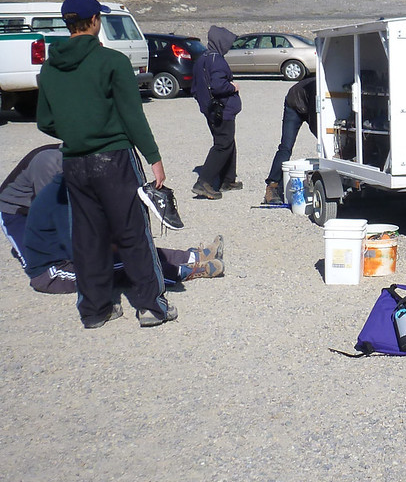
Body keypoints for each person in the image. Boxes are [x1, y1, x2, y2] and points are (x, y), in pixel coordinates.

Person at [35, 0, 175, 328]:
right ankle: (151, 307)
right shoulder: (112, 62)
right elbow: (132, 117)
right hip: (113, 159)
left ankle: (95, 311)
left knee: (88, 236)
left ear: (68, 24)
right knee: (132, 232)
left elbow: (44, 121)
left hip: (75, 163)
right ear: (95, 21)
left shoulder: (51, 68)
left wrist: (77, 130)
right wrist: (154, 157)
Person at [8, 170, 225, 292]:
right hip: (53, 272)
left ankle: (194, 255)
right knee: (128, 262)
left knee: (137, 249)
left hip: (69, 258)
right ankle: (187, 271)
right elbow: (80, 251)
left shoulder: (69, 190)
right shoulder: (59, 200)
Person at [192, 25, 242, 200]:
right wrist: (232, 87)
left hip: (211, 109)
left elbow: (195, 88)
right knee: (222, 145)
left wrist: (205, 106)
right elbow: (218, 86)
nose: (229, 46)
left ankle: (228, 179)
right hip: (222, 109)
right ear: (221, 43)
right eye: (228, 43)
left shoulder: (203, 58)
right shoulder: (217, 60)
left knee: (228, 142)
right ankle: (203, 181)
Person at [263, 75, 317, 205]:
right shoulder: (316, 90)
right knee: (285, 147)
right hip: (294, 103)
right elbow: (315, 123)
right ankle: (272, 187)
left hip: (306, 100)